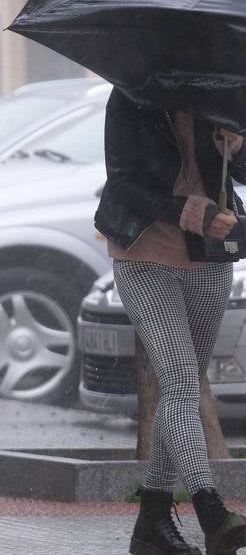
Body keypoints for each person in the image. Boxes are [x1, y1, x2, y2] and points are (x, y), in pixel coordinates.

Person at [95, 89, 246, 555]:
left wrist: (234, 148)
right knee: (180, 384)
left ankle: (152, 523)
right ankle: (210, 510)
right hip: (144, 255)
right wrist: (189, 212)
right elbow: (120, 184)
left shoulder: (218, 96)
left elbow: (238, 176)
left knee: (179, 389)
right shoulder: (130, 98)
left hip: (210, 261)